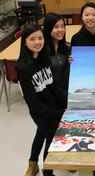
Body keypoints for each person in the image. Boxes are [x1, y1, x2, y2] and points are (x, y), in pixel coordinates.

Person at [17, 24, 66, 176]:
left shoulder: (45, 59)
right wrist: (56, 113)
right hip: (40, 112)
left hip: (52, 106)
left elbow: (53, 87)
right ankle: (47, 172)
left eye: (40, 38)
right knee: (51, 141)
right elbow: (32, 101)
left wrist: (66, 102)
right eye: (32, 39)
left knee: (41, 133)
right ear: (25, 42)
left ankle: (33, 163)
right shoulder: (23, 68)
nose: (37, 42)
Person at [43, 13, 71, 107]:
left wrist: (70, 63)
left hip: (66, 95)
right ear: (48, 28)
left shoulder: (66, 48)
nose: (60, 30)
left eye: (63, 26)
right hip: (50, 98)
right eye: (56, 27)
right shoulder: (42, 50)